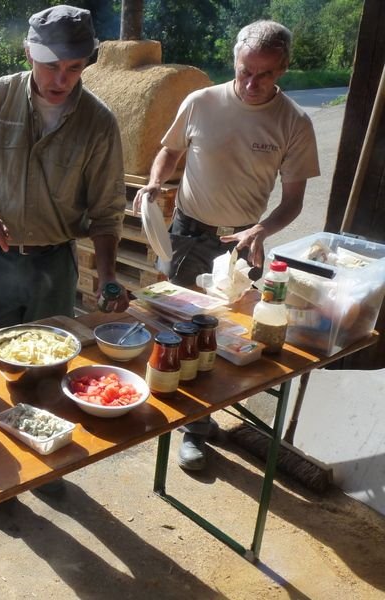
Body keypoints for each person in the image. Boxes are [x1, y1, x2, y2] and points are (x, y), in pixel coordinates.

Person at [133, 20, 320, 471]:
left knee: (221, 338)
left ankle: (196, 428)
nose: (252, 84)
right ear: (234, 62)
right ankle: (180, 417)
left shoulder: (293, 122)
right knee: (176, 328)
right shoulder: (201, 101)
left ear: (283, 70)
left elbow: (293, 201)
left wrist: (261, 230)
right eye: (244, 71)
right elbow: (170, 151)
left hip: (241, 245)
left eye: (265, 75)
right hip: (188, 232)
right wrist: (157, 183)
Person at [0, 4, 129, 329]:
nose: (62, 80)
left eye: (74, 68)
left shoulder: (98, 123)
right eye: (51, 65)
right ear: (29, 53)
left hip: (54, 267)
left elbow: (106, 212)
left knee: (48, 363)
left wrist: (107, 276)